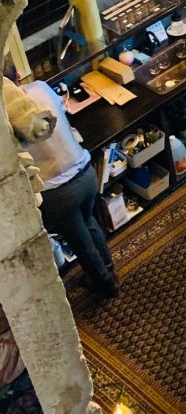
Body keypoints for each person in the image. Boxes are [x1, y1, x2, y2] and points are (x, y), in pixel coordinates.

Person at [3, 63, 118, 297]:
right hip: (85, 171)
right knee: (90, 221)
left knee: (80, 242)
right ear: (17, 75)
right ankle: (107, 265)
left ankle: (105, 285)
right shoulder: (40, 88)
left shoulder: (6, 119)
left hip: (58, 191)